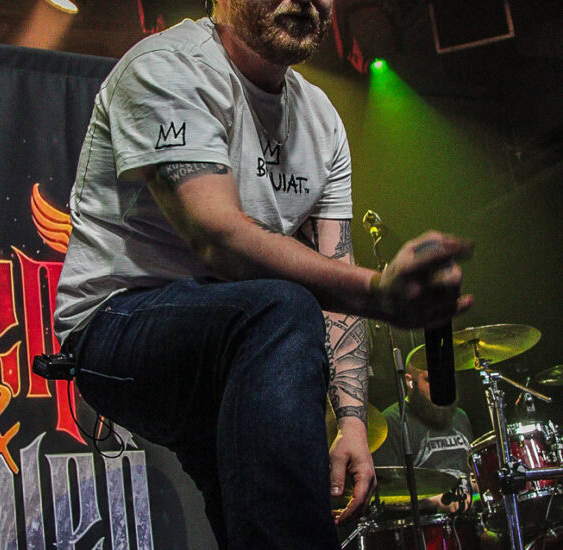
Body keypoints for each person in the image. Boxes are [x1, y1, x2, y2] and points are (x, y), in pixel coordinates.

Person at [53, 0, 474, 548]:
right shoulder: (167, 66)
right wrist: (380, 293)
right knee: (284, 306)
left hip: (241, 347)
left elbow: (335, 270)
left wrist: (352, 422)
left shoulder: (321, 119)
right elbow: (219, 239)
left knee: (251, 522)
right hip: (117, 330)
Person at [372, 358, 474, 513]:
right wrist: (434, 502)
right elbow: (384, 495)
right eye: (431, 380)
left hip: (471, 518)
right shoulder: (391, 423)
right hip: (428, 523)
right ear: (410, 381)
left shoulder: (460, 416)